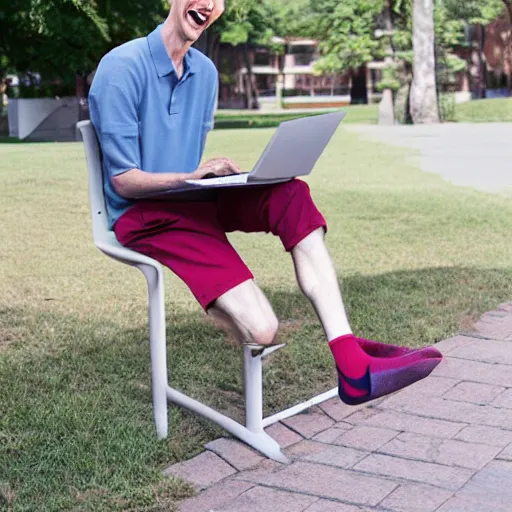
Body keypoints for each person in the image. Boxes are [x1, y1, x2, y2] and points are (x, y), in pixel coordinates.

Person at [88, 0, 442, 406]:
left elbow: (185, 157)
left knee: (290, 194)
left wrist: (216, 177)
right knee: (262, 330)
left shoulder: (204, 73)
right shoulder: (121, 67)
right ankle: (347, 360)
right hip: (145, 216)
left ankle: (350, 357)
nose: (209, 4)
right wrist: (191, 177)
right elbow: (125, 181)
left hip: (194, 198)